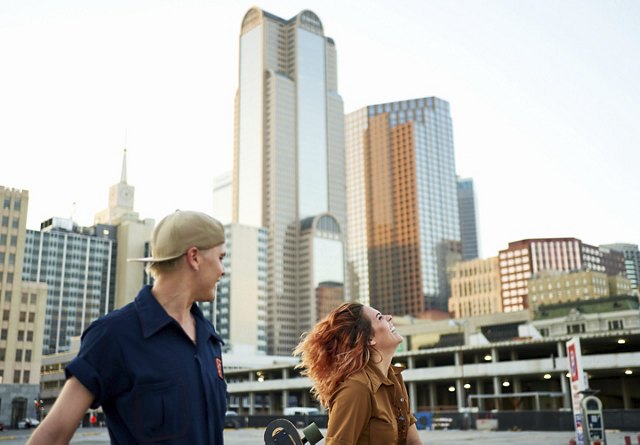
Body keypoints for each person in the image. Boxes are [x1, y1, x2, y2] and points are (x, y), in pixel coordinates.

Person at [27, 210, 228, 445]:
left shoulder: (209, 339)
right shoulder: (114, 336)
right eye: (221, 258)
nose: (222, 270)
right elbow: (53, 435)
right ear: (194, 257)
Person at [293, 302, 424, 445]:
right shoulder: (356, 387)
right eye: (380, 318)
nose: (389, 317)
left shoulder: (394, 377)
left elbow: (413, 441)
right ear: (369, 339)